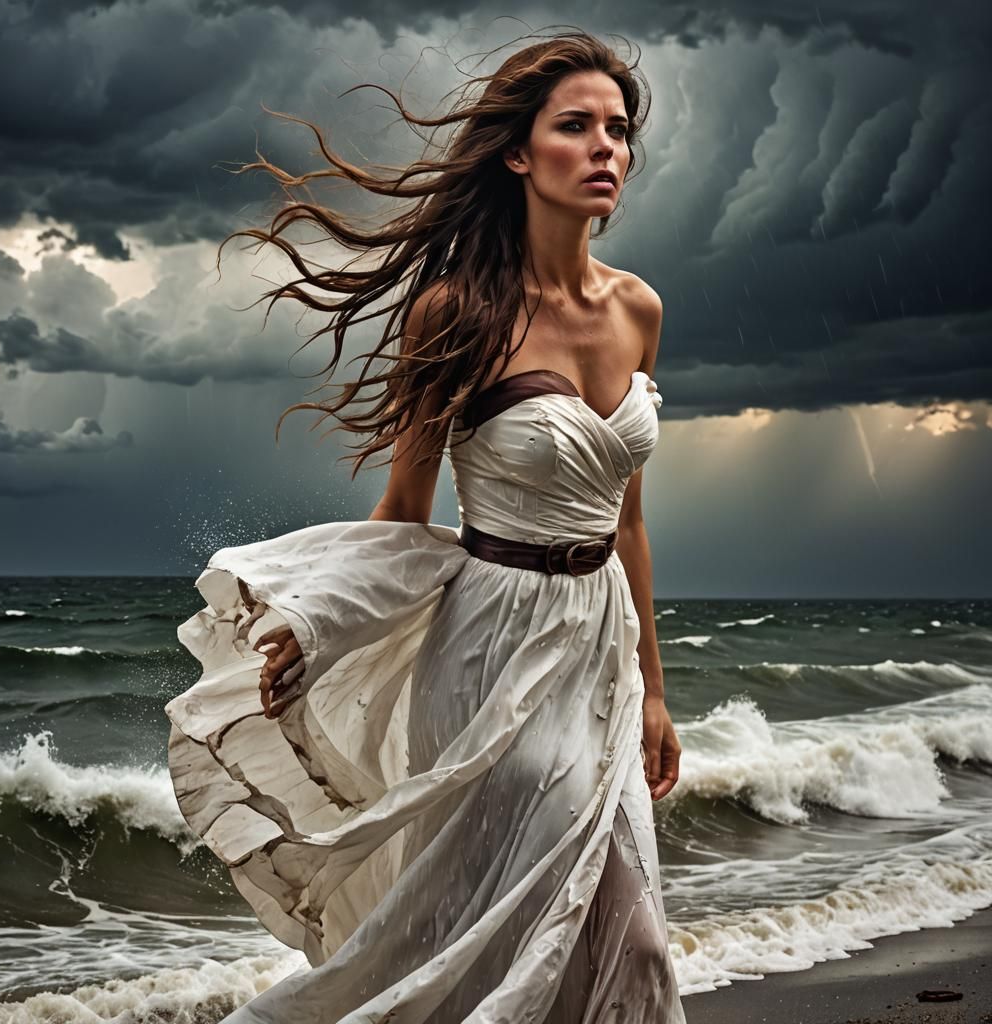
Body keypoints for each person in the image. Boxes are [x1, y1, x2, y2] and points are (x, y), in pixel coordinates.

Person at [165, 27, 687, 1023]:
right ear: (517, 151)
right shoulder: (455, 311)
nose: (605, 148)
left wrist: (657, 692)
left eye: (618, 130)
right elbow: (405, 512)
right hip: (491, 647)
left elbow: (629, 521)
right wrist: (317, 629)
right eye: (575, 126)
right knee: (499, 924)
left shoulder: (638, 310)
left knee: (633, 936)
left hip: (601, 647)